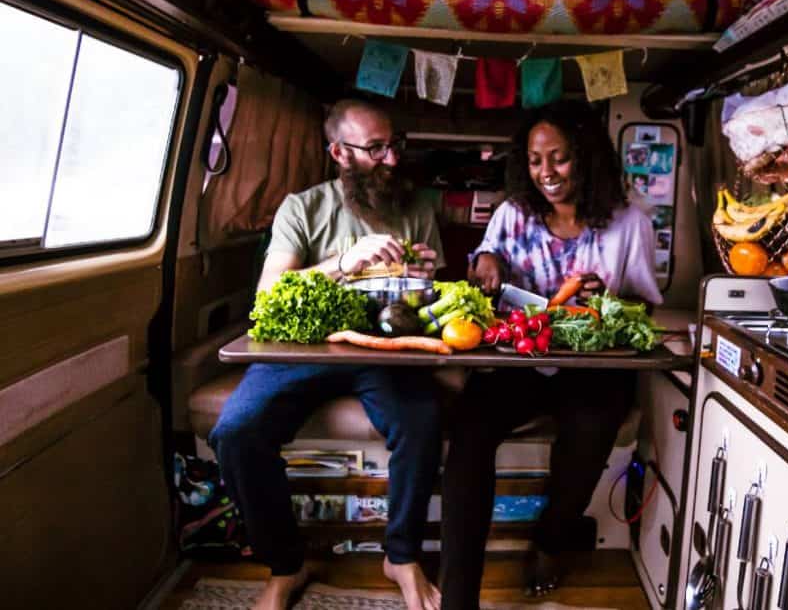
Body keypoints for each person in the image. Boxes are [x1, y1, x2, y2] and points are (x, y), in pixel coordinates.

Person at [209, 100, 445, 610]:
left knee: (421, 421)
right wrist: (343, 262)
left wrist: (421, 282)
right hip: (301, 348)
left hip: (382, 346)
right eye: (375, 149)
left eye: (394, 146)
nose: (391, 161)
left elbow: (429, 299)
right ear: (339, 152)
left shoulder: (419, 207)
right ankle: (285, 566)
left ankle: (401, 556)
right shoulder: (303, 207)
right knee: (236, 432)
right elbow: (270, 294)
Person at [439, 100, 663, 608]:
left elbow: (646, 304)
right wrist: (488, 261)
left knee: (589, 432)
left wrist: (606, 300)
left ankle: (551, 540)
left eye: (559, 159)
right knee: (469, 436)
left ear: (586, 157)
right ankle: (457, 599)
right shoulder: (512, 214)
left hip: (593, 365)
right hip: (518, 357)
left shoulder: (630, 223)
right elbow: (485, 266)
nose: (547, 173)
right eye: (536, 161)